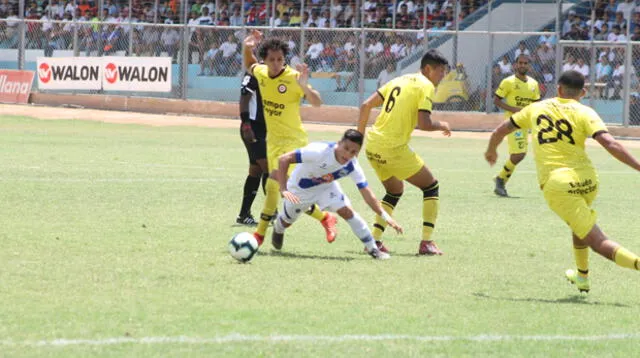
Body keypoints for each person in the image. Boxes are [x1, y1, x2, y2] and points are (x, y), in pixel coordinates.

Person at [485, 70, 640, 293]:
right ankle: (582, 276)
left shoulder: (536, 108)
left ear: (558, 89)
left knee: (597, 241)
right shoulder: (586, 112)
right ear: (583, 92)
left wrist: (491, 150)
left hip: (558, 184)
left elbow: (501, 130)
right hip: (588, 180)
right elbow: (610, 143)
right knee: (578, 225)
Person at [242, 29, 337, 247]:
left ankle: (259, 235)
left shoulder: (294, 77)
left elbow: (317, 102)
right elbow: (250, 64)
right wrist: (247, 47)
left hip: (295, 143)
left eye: (280, 59)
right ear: (265, 60)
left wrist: (305, 87)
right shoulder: (263, 73)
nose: (276, 63)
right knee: (281, 191)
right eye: (272, 60)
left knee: (280, 188)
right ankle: (325, 218)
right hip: (274, 142)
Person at [357, 49, 451, 256]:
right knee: (431, 186)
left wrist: (357, 140)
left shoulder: (398, 80)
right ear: (428, 69)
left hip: (373, 145)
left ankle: (373, 241)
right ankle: (427, 242)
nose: (442, 76)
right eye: (441, 71)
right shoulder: (426, 86)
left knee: (394, 190)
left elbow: (365, 106)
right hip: (392, 148)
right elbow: (424, 123)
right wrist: (441, 124)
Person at [273, 130, 403, 259]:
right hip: (300, 189)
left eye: (353, 152)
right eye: (346, 148)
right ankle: (278, 228)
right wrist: (283, 188)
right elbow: (284, 159)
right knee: (286, 222)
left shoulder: (352, 166)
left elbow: (367, 193)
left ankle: (373, 249)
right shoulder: (319, 151)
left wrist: (386, 217)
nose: (348, 154)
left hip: (326, 188)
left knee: (347, 211)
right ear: (339, 143)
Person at [492, 54, 541, 197]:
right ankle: (501, 180)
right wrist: (515, 110)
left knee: (521, 154)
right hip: (512, 122)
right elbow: (497, 100)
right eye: (520, 63)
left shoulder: (533, 84)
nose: (523, 65)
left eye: (526, 63)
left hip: (526, 123)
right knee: (519, 154)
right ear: (515, 65)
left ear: (529, 66)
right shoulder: (508, 82)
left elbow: (536, 104)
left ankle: (500, 178)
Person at [236, 71, 269, 226]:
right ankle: (272, 212)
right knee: (269, 168)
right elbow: (244, 97)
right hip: (253, 127)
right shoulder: (255, 71)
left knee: (256, 170)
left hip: (267, 128)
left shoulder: (281, 73)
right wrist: (246, 124)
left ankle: (244, 214)